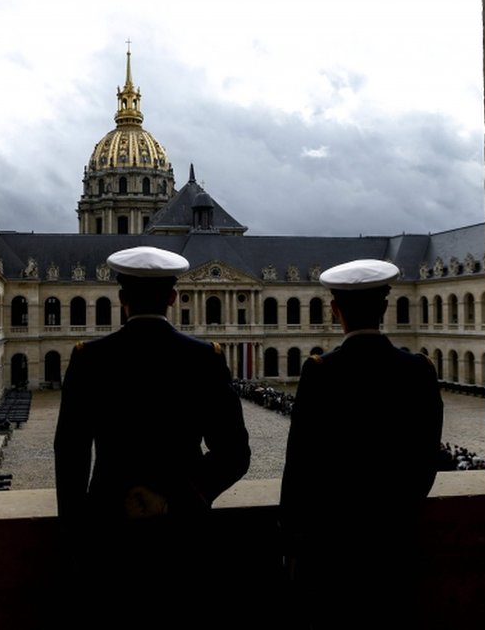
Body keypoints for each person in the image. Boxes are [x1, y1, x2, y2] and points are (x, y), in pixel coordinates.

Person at [53, 245, 251, 629]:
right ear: (174, 298)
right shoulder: (204, 358)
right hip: (184, 532)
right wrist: (182, 496)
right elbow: (235, 453)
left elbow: (70, 454)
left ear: (121, 298)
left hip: (109, 530)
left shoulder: (89, 358)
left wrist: (76, 530)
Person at [279, 258, 444, 628]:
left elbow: (300, 466)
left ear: (335, 309)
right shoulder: (418, 370)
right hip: (397, 541)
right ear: (385, 307)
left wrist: (292, 538)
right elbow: (425, 461)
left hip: (332, 544)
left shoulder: (321, 372)